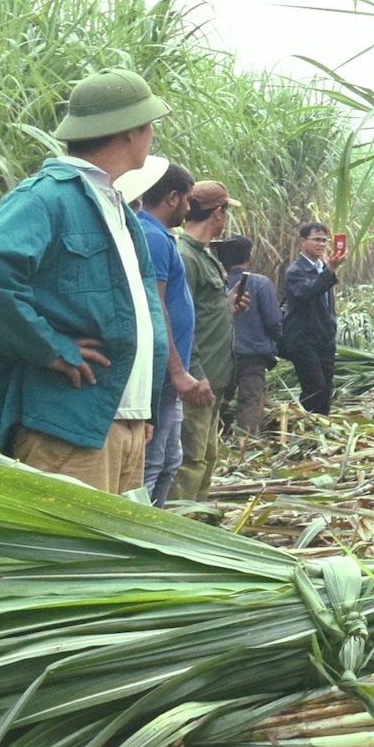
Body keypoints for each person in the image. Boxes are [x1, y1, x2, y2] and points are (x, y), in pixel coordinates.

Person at [0, 68, 170, 495]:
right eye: (149, 125)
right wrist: (50, 347)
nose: (151, 135)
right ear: (130, 131)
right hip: (71, 426)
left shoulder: (115, 206)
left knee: (114, 560)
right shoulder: (48, 196)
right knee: (76, 562)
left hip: (121, 420)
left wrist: (142, 408)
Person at [116, 157, 207, 505]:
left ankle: (158, 525)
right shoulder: (151, 237)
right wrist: (177, 371)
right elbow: (157, 308)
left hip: (170, 377)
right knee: (152, 463)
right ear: (171, 198)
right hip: (162, 378)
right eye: (186, 199)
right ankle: (144, 538)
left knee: (171, 460)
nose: (188, 208)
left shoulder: (161, 237)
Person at [173, 184, 236, 499]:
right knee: (191, 460)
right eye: (226, 212)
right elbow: (180, 322)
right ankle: (182, 531)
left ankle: (201, 522)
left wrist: (228, 305)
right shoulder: (185, 257)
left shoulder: (205, 255)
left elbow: (202, 310)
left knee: (207, 456)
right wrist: (196, 374)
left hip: (214, 376)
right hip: (198, 380)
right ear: (218, 213)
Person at [220, 235, 282, 435]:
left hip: (222, 354)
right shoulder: (260, 283)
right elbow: (273, 320)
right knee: (250, 400)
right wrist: (279, 343)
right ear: (249, 256)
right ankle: (245, 445)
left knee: (220, 398)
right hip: (253, 355)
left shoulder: (217, 283)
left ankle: (218, 438)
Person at [281, 221, 341, 414]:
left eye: (324, 240)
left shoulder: (322, 267)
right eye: (316, 239)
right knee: (314, 387)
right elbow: (306, 292)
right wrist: (330, 271)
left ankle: (322, 427)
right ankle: (307, 427)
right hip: (303, 339)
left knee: (325, 389)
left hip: (325, 337)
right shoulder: (295, 271)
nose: (321, 244)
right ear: (302, 242)